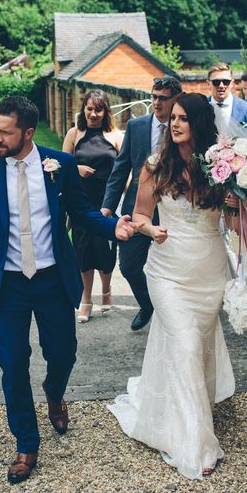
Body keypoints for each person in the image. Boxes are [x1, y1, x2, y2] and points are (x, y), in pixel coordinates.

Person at [0, 95, 134, 484]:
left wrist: (113, 227)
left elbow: (82, 211)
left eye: (5, 131)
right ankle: (26, 443)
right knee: (12, 364)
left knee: (63, 353)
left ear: (28, 132)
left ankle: (54, 392)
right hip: (8, 284)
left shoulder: (60, 165)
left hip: (53, 278)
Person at [108, 93, 239, 480]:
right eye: (173, 118)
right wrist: (151, 230)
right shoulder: (154, 166)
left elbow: (231, 227)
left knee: (195, 346)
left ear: (198, 123)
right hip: (167, 273)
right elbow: (139, 216)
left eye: (183, 118)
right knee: (183, 344)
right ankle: (197, 444)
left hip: (209, 273)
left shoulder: (221, 167)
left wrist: (236, 202)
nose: (175, 124)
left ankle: (183, 407)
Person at [101, 75, 182, 331]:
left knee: (174, 271)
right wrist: (107, 206)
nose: (157, 103)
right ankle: (147, 305)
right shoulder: (136, 126)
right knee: (128, 265)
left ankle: (172, 316)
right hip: (136, 209)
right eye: (154, 97)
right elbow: (120, 168)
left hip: (173, 210)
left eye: (163, 99)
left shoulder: (185, 127)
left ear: (176, 100)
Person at [62, 90, 123, 323]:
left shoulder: (116, 136)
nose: (93, 114)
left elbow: (124, 170)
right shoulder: (74, 133)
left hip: (107, 200)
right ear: (83, 109)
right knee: (83, 249)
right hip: (81, 200)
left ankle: (106, 290)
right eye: (89, 108)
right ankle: (86, 300)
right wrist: (76, 169)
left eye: (98, 109)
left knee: (104, 249)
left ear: (106, 111)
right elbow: (59, 164)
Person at [207, 62, 247, 136]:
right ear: (208, 83)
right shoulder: (201, 106)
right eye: (216, 82)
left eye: (226, 82)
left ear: (232, 83)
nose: (221, 85)